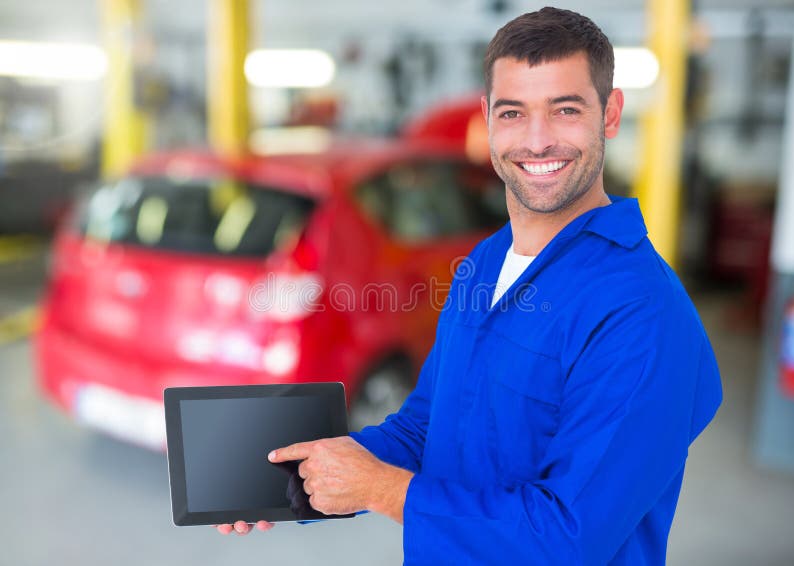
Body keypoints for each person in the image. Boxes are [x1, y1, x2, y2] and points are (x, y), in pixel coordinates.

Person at [217, 7, 723, 564]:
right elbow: (426, 426)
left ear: (610, 113)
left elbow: (568, 534)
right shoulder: (484, 263)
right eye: (513, 112)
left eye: (565, 110)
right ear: (487, 121)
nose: (536, 140)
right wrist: (305, 471)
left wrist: (381, 489)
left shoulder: (642, 313)